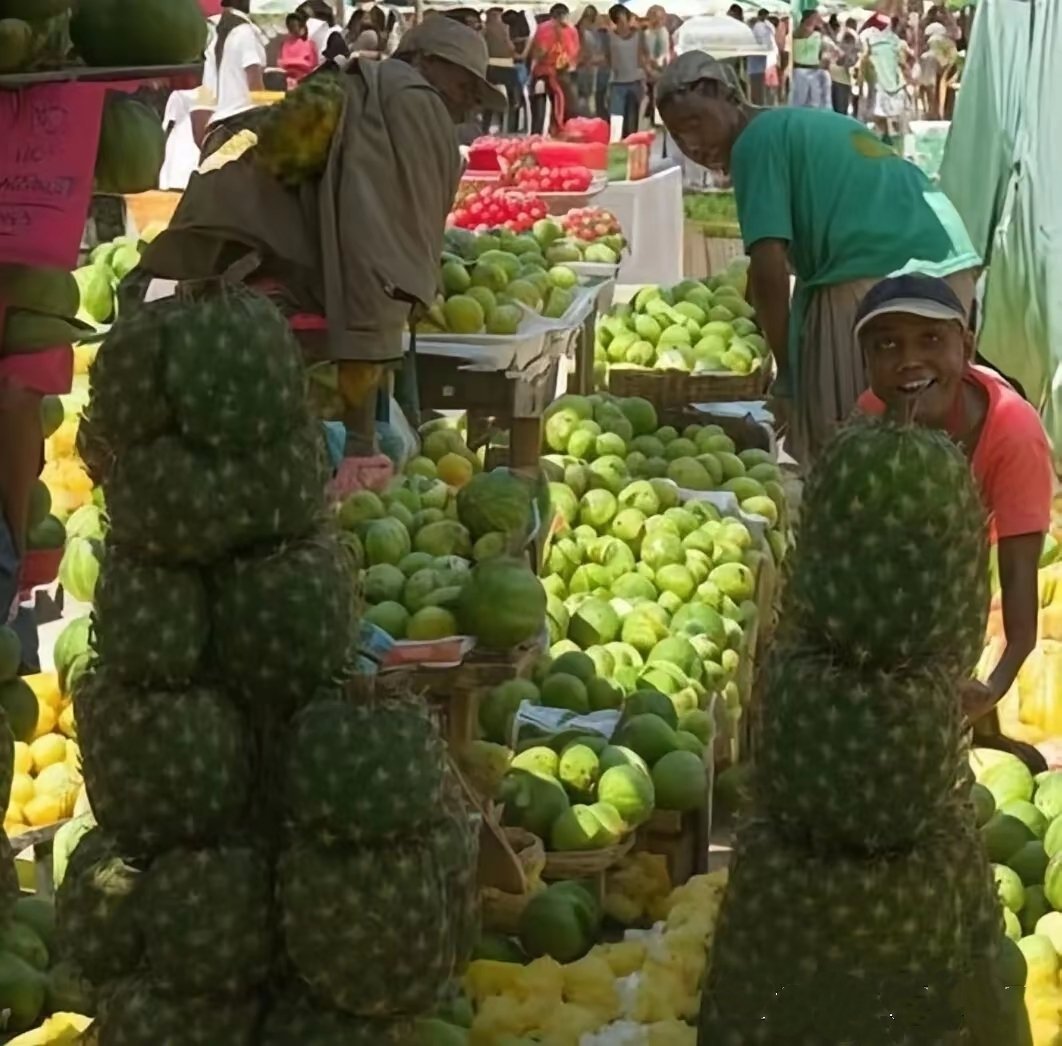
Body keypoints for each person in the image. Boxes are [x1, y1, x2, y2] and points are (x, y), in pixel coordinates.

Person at [655, 52, 981, 464]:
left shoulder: (755, 142)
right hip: (947, 264)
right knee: (920, 446)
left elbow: (769, 267)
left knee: (847, 452)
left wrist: (788, 372)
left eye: (694, 124)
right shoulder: (792, 125)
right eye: (677, 136)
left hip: (878, 276)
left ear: (723, 95)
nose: (692, 145)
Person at [853, 274, 1052, 770]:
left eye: (931, 339)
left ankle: (981, 733)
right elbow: (860, 555)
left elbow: (1018, 596)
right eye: (887, 345)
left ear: (966, 346)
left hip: (976, 544)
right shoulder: (871, 419)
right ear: (867, 362)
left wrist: (993, 687)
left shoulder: (1013, 433)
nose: (908, 360)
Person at [197, 0, 266, 160]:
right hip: (243, 125)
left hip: (216, 132)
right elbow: (255, 88)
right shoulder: (245, 32)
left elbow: (205, 96)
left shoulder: (213, 37)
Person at [529, 3, 579, 134]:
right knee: (562, 106)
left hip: (543, 73)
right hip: (561, 73)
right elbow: (574, 53)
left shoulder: (544, 28)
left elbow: (539, 51)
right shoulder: (571, 30)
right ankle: (558, 132)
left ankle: (537, 134)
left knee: (540, 109)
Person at [861, 13, 910, 142]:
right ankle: (896, 144)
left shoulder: (869, 41)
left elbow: (865, 60)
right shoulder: (895, 41)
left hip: (879, 85)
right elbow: (902, 61)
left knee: (879, 120)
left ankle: (881, 143)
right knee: (898, 121)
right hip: (894, 84)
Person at [607, 4, 648, 138]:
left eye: (625, 19)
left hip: (635, 81)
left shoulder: (639, 35)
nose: (623, 24)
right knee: (617, 120)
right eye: (619, 20)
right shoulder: (610, 36)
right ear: (615, 21)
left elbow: (642, 56)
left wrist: (647, 75)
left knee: (632, 120)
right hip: (617, 83)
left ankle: (631, 147)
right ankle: (617, 147)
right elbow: (608, 58)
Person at [483, 6, 521, 131]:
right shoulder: (504, 29)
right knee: (514, 98)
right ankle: (511, 126)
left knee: (488, 99)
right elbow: (511, 48)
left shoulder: (485, 29)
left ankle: (486, 126)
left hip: (491, 68)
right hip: (504, 68)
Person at [790, 9, 829, 109]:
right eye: (816, 17)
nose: (818, 20)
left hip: (813, 69)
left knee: (813, 102)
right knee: (800, 101)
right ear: (809, 19)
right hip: (801, 70)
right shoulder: (801, 32)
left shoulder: (816, 34)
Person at [574, 5, 607, 118]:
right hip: (576, 76)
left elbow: (596, 56)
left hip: (587, 77)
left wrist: (591, 60)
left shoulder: (589, 36)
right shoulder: (575, 35)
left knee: (586, 106)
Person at [643, 5, 671, 124]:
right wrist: (649, 65)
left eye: (660, 17)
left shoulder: (664, 33)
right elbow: (643, 53)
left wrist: (662, 62)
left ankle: (658, 118)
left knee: (659, 94)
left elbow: (666, 51)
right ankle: (653, 115)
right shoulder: (646, 34)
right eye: (654, 16)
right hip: (649, 70)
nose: (657, 20)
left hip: (662, 68)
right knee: (651, 93)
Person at [827, 15, 859, 115]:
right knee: (840, 110)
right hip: (840, 79)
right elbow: (844, 60)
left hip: (835, 77)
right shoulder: (850, 36)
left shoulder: (840, 38)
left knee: (836, 110)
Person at [279, 12, 318, 87]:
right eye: (290, 26)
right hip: (286, 81)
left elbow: (313, 65)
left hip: (304, 81)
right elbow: (280, 63)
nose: (292, 28)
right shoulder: (285, 44)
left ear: (301, 27)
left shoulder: (309, 44)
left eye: (294, 25)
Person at [747, 8, 774, 106]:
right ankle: (758, 104)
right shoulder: (761, 27)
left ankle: (758, 104)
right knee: (758, 88)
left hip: (759, 62)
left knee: (758, 88)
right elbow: (765, 41)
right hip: (758, 62)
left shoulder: (762, 26)